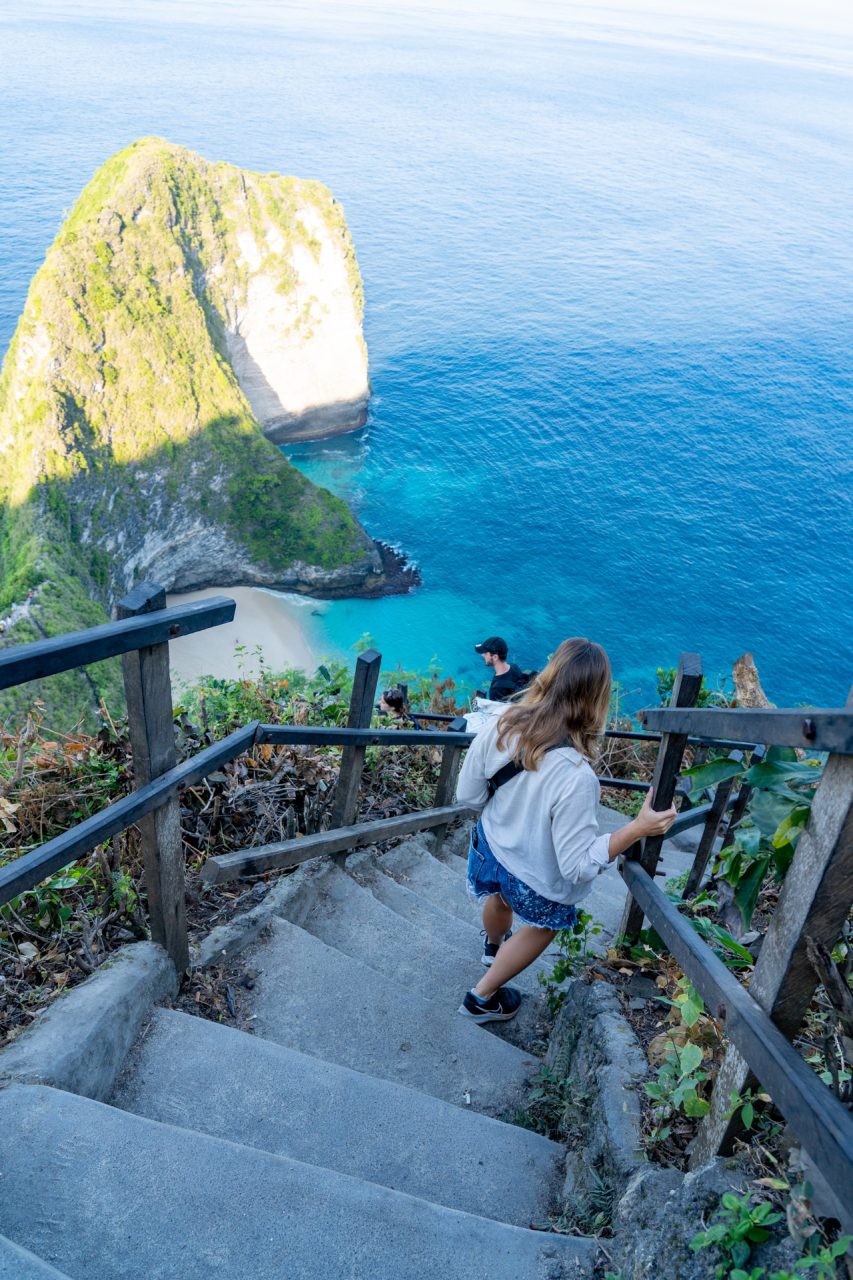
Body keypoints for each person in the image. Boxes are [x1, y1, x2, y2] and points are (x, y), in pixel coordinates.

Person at [455, 636, 678, 1023]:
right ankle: (482, 997)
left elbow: (468, 796)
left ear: (550, 674)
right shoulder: (577, 776)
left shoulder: (503, 723)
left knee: (500, 895)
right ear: (596, 699)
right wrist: (638, 827)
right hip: (535, 879)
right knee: (544, 924)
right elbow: (577, 866)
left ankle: (494, 947)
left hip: (491, 847)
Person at [473, 636, 526, 702]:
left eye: (485, 653)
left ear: (495, 657)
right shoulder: (514, 667)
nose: (483, 655)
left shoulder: (496, 690)